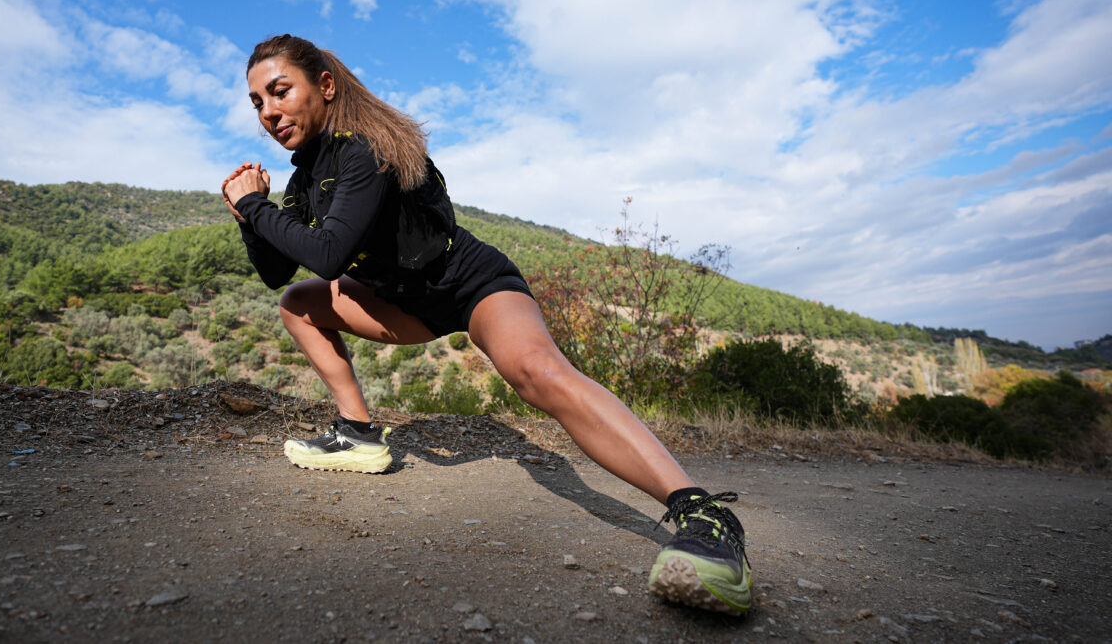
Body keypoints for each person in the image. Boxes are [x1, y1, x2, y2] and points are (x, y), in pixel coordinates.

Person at [221, 33, 752, 615]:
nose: (268, 112)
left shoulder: (363, 149)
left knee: (537, 375)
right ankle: (358, 433)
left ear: (323, 86)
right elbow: (278, 271)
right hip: (407, 305)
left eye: (278, 92)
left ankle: (704, 515)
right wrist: (254, 214)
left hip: (471, 284)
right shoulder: (304, 179)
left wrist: (255, 208)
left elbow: (326, 253)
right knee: (299, 302)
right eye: (257, 103)